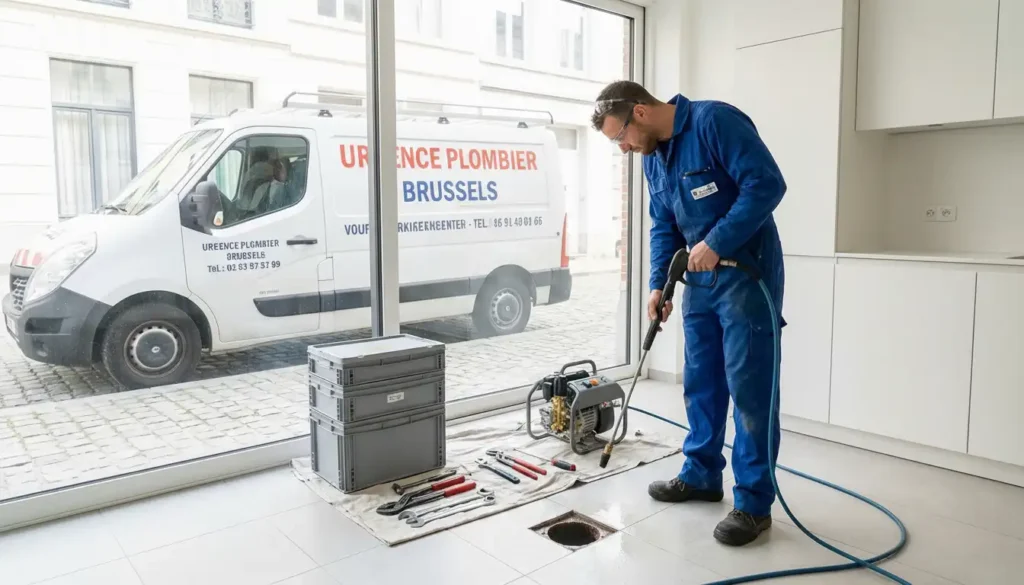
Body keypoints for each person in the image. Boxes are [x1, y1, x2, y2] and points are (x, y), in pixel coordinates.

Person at [591, 81, 787, 546]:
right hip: (698, 283)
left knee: (750, 390)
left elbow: (766, 184)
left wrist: (716, 241)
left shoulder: (714, 122)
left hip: (746, 277)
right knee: (700, 382)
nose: (623, 149)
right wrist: (659, 283)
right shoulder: (653, 159)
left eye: (621, 137)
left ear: (640, 111)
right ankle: (701, 475)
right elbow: (664, 224)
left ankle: (753, 504)